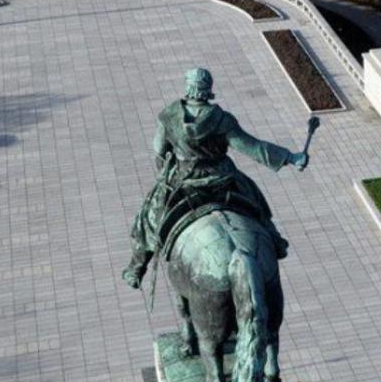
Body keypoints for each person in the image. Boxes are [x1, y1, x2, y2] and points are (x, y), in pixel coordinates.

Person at [123, 68, 308, 290]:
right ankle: (273, 238)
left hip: (184, 182)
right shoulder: (221, 120)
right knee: (256, 201)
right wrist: (290, 157)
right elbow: (253, 148)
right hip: (222, 179)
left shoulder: (169, 115)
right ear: (208, 89)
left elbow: (159, 150)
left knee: (149, 215)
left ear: (188, 87)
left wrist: (166, 170)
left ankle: (136, 267)